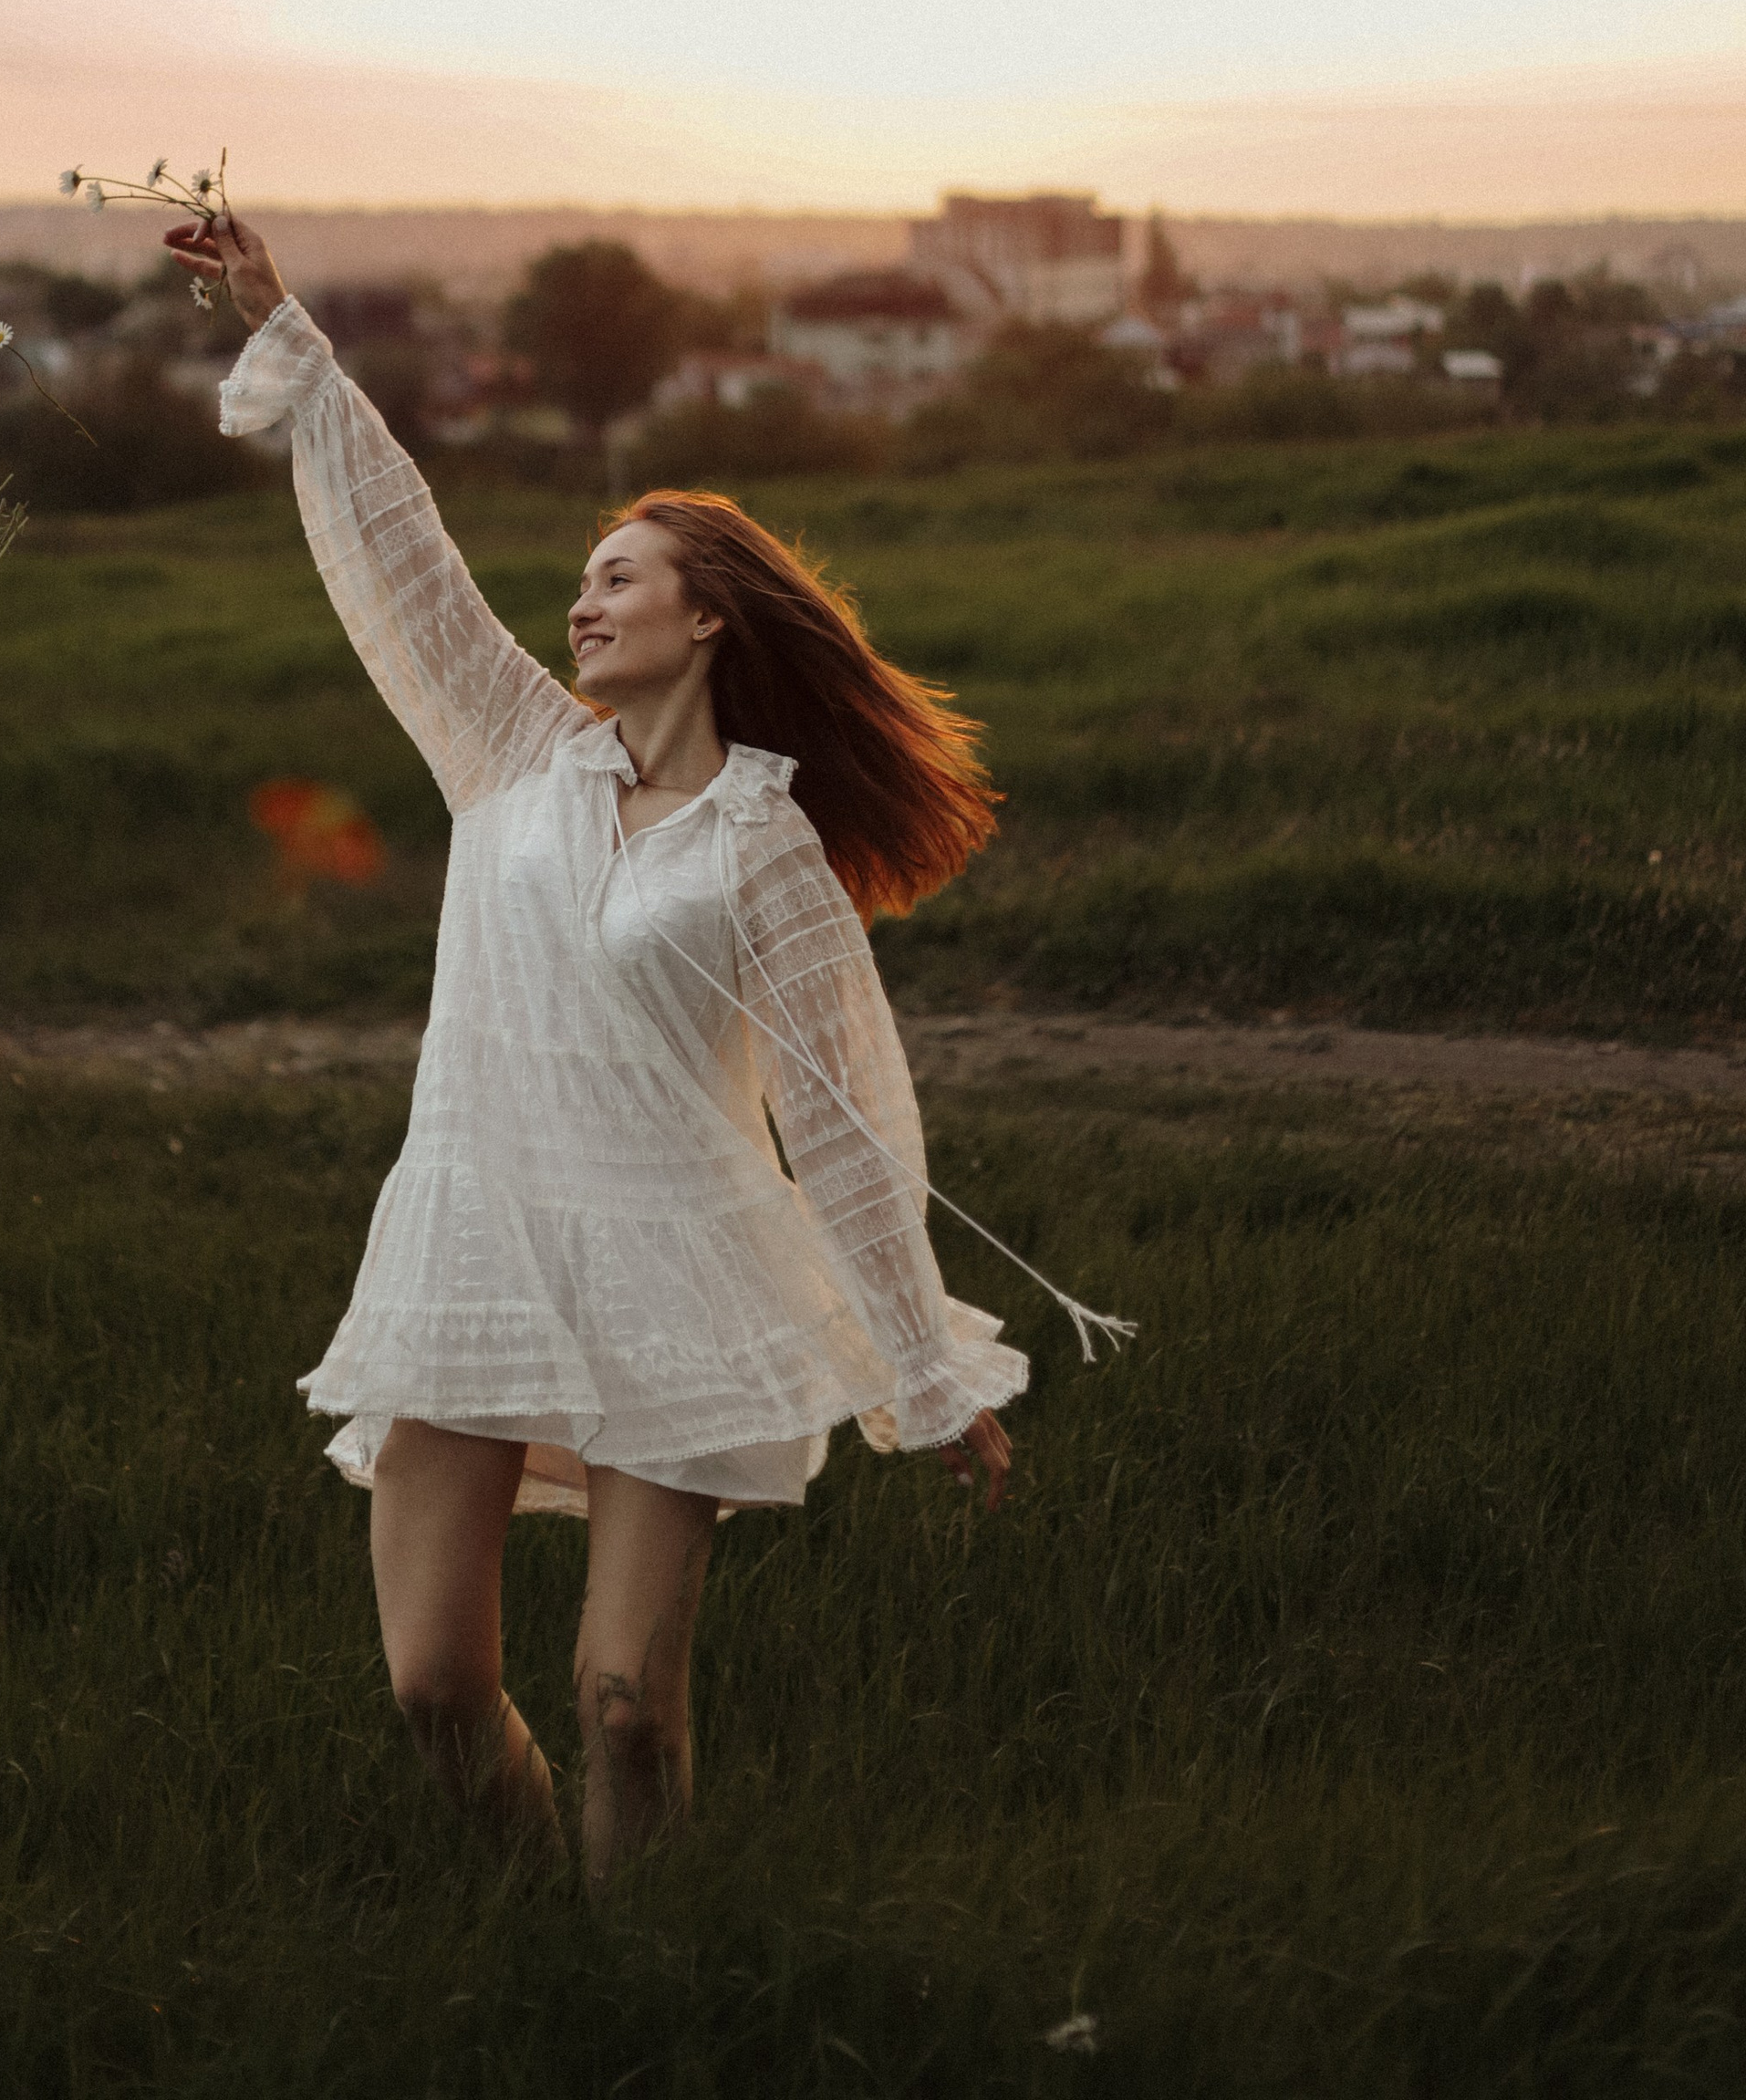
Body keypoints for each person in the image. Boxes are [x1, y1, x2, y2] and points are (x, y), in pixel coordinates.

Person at [171, 206, 1086, 1882]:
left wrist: (926, 1372)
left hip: (678, 1277)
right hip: (476, 1241)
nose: (578, 607)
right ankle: (536, 1945)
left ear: (710, 614)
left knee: (620, 1700)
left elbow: (850, 1126)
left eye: (616, 580)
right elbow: (401, 557)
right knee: (438, 1680)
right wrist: (283, 327)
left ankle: (643, 1991)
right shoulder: (511, 757)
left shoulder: (765, 845)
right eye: (581, 583)